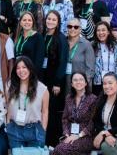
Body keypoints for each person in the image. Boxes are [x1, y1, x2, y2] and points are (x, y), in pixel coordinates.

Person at [5, 56, 49, 149]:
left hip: (35, 130)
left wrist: (43, 130)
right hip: (14, 129)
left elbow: (45, 111)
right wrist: (8, 124)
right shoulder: (10, 86)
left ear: (30, 68)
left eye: (24, 67)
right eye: (18, 68)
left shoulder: (42, 89)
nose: (21, 70)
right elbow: (8, 106)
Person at [52, 72, 97, 155]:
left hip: (85, 136)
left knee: (60, 150)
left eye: (81, 80)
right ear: (72, 84)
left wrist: (79, 135)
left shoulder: (93, 99)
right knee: (58, 150)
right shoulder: (69, 98)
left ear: (86, 83)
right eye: (75, 80)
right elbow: (65, 119)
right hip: (70, 135)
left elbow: (93, 122)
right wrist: (66, 134)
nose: (78, 82)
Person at [41, 10, 68, 146]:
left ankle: (52, 143)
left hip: (54, 81)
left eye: (53, 19)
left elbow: (63, 61)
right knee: (42, 108)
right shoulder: (43, 35)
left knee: (52, 111)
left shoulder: (61, 38)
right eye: (49, 19)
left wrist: (58, 82)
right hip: (42, 78)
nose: (50, 21)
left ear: (58, 23)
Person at [65, 18, 95, 89]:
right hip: (65, 83)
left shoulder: (86, 44)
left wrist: (83, 84)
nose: (72, 29)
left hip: (81, 86)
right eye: (70, 26)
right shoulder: (63, 42)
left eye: (76, 27)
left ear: (80, 29)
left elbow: (90, 69)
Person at [93, 21, 117, 95]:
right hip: (98, 82)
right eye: (98, 30)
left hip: (113, 82)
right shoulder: (92, 46)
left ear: (108, 32)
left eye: (103, 30)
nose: (101, 33)